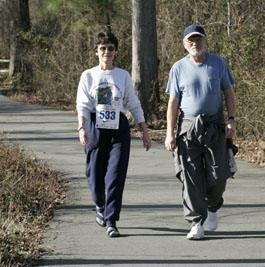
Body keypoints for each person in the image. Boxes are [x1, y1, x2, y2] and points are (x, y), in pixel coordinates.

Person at [165, 25, 237, 240]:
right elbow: (173, 102)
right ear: (185, 44)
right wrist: (170, 133)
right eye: (191, 41)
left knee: (218, 174)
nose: (195, 44)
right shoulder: (178, 68)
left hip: (215, 125)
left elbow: (229, 93)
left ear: (205, 41)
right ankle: (196, 221)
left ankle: (213, 205)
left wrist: (232, 120)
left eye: (198, 40)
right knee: (191, 176)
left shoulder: (218, 63)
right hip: (188, 126)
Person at [76, 30, 151, 238]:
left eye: (110, 48)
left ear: (116, 51)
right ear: (96, 52)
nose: (106, 52)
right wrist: (82, 128)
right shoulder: (88, 75)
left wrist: (144, 130)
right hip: (94, 124)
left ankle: (111, 221)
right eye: (102, 48)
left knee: (116, 174)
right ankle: (99, 204)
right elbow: (82, 105)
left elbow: (133, 104)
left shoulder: (122, 75)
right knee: (94, 174)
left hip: (118, 126)